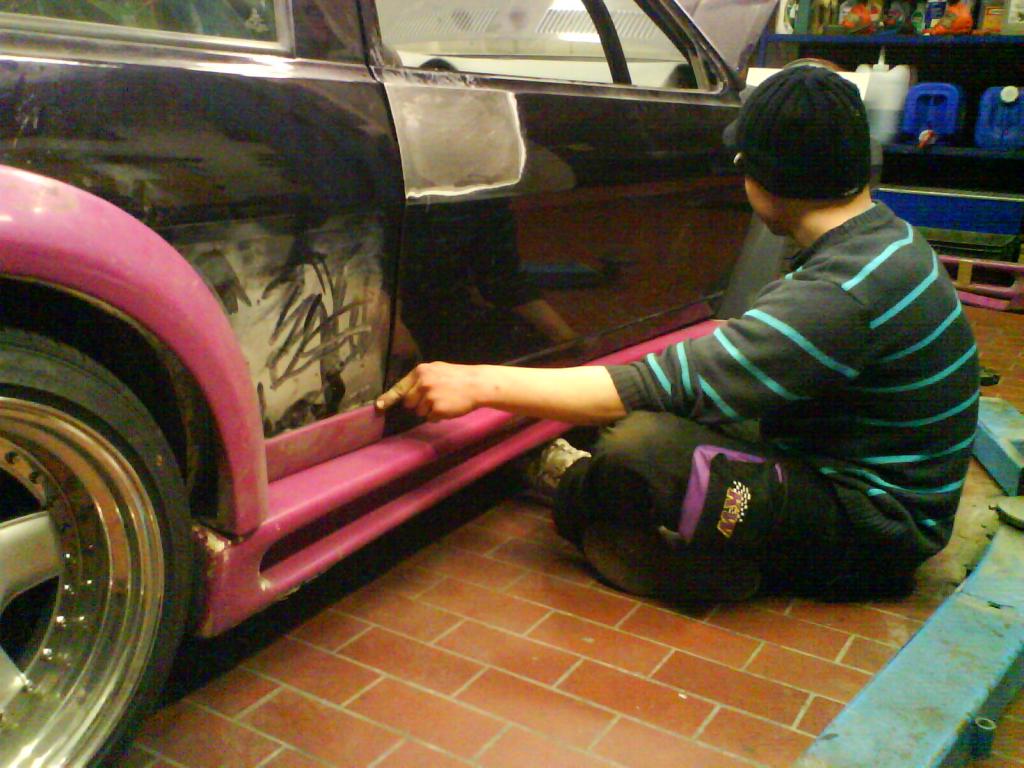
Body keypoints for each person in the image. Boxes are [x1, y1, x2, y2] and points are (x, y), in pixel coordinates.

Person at [375, 65, 979, 603]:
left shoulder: (841, 294)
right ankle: (662, 519)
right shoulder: (880, 240)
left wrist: (477, 383)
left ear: (759, 176)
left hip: (873, 534)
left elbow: (664, 382)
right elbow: (698, 376)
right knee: (655, 415)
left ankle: (598, 502)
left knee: (641, 446)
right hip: (831, 457)